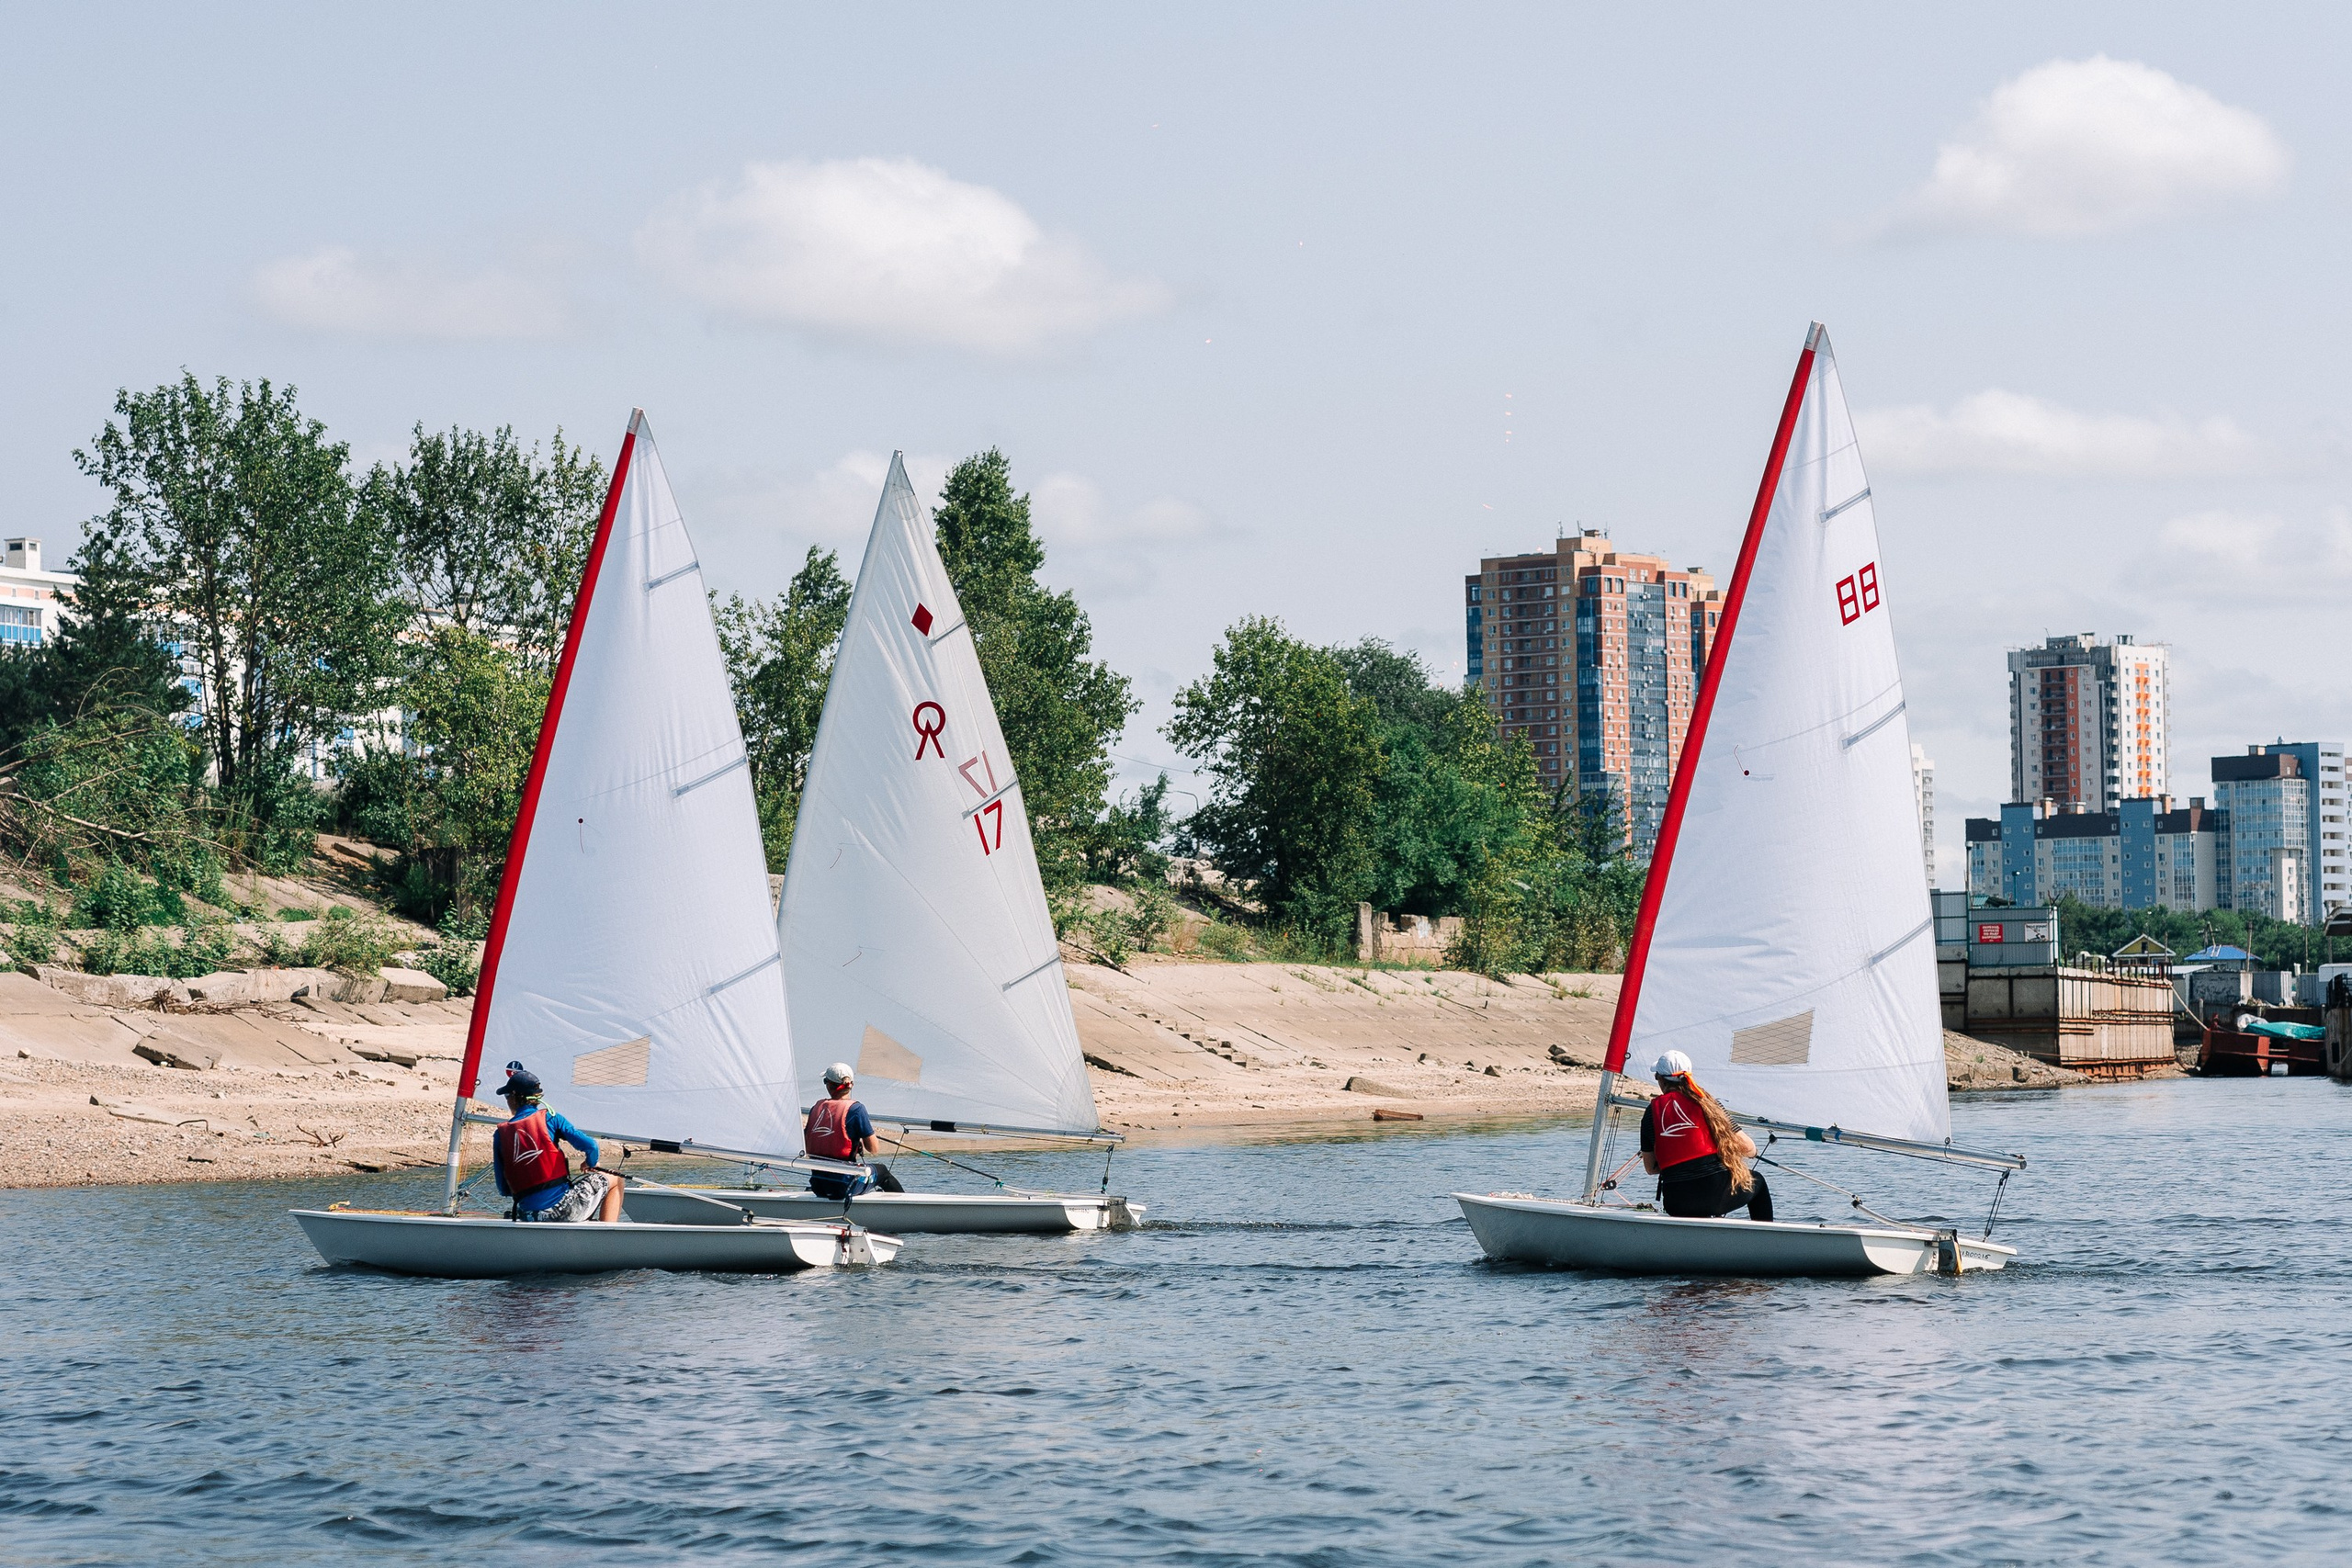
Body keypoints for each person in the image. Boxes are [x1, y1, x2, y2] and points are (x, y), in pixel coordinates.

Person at [1638, 1050, 1773, 1222]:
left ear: (1661, 1080)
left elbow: (1651, 1168)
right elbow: (1748, 1148)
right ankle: (1764, 1240)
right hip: (1716, 1198)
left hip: (1676, 1203)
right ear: (1689, 1077)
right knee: (1757, 1181)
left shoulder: (1651, 1113)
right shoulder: (1708, 1104)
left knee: (1693, 1187)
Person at [492, 1062, 624, 1223]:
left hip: (528, 1215)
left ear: (514, 1098)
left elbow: (503, 1189)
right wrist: (590, 1163)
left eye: (507, 1096)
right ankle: (607, 1237)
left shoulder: (500, 1134)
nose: (507, 1101)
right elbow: (591, 1146)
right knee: (615, 1179)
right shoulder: (551, 1118)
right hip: (563, 1210)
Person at [804, 1062, 881, 1201]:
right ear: (851, 1084)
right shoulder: (857, 1109)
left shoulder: (816, 1108)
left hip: (818, 1187)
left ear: (829, 1085)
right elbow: (874, 1149)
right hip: (844, 1188)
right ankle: (905, 1211)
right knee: (882, 1171)